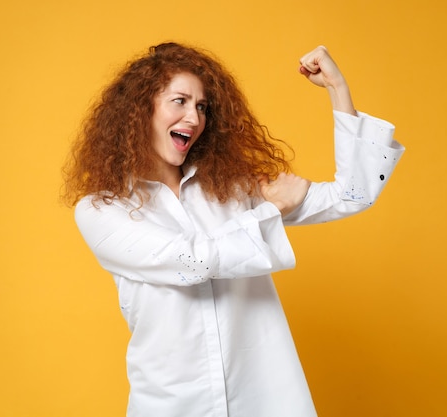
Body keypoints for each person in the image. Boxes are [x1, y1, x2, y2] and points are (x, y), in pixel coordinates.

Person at [63, 42, 405, 417]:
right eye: (179, 101)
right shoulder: (103, 210)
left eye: (201, 106)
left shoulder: (230, 189)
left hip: (263, 398)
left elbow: (353, 195)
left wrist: (338, 90)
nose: (193, 118)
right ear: (140, 109)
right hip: (173, 405)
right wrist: (271, 209)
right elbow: (191, 262)